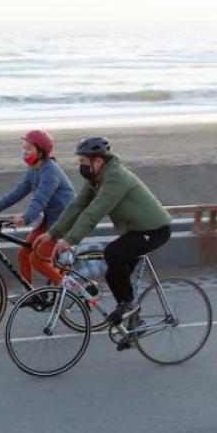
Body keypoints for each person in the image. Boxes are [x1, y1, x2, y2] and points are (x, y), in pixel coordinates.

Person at [33, 136, 171, 330]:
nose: (80, 166)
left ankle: (130, 307)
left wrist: (70, 240)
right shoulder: (95, 178)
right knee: (113, 275)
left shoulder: (116, 178)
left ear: (97, 160)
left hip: (154, 229)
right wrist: (53, 234)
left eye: (83, 162)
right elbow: (77, 206)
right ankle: (135, 322)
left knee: (113, 253)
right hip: (136, 230)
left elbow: (94, 212)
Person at [0, 130, 75, 285]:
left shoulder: (50, 171)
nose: (24, 152)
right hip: (48, 220)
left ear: (40, 152)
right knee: (23, 254)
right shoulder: (34, 168)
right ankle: (29, 294)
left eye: (28, 149)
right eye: (23, 148)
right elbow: (20, 190)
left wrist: (25, 218)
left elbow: (40, 200)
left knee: (37, 260)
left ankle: (68, 287)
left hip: (62, 221)